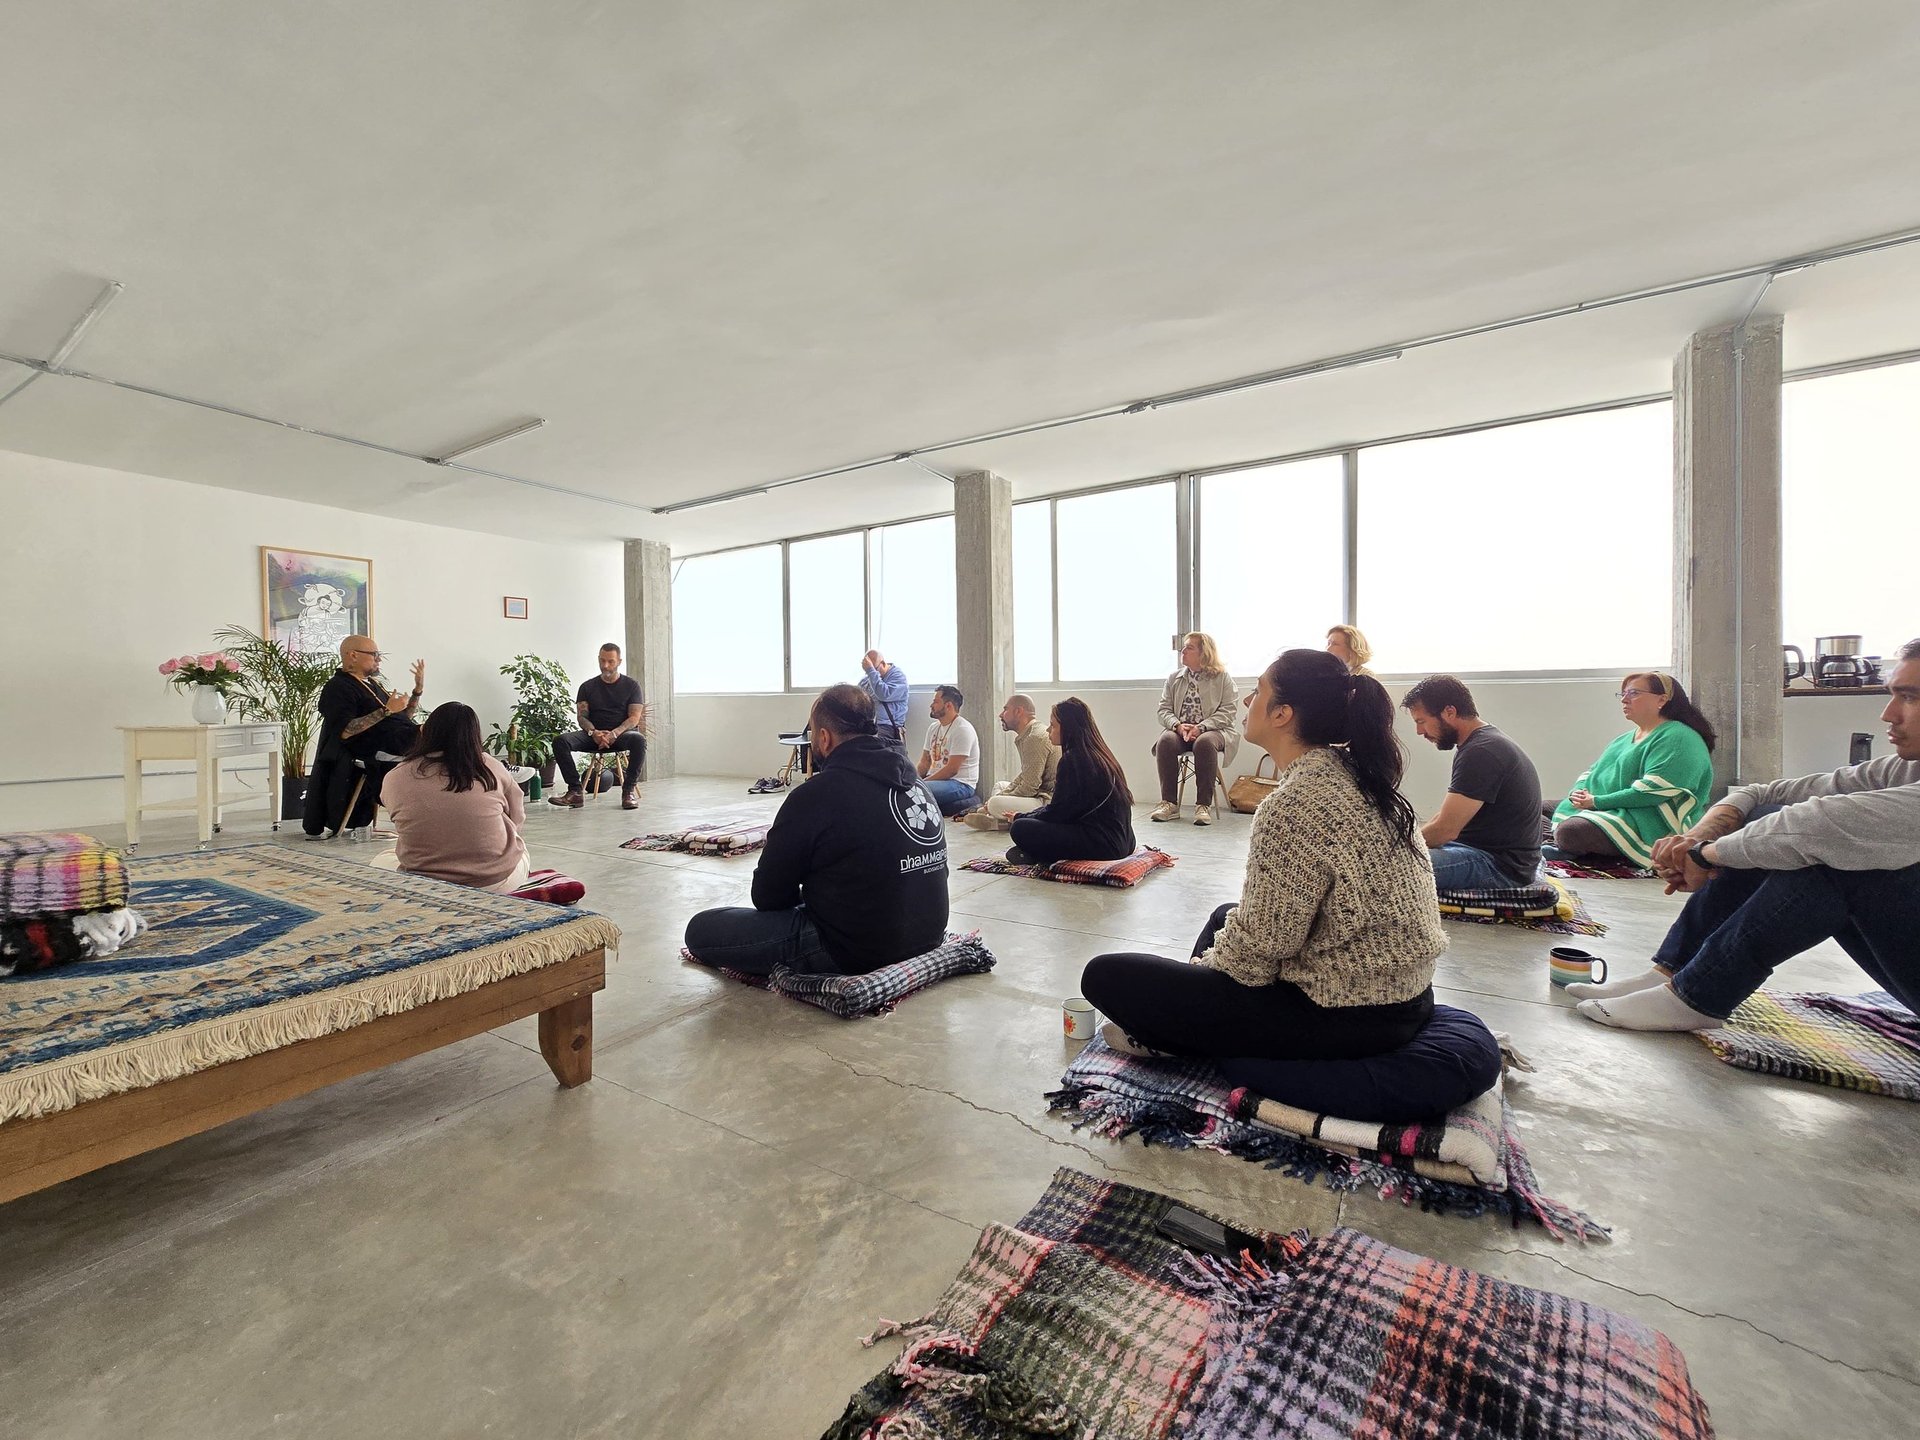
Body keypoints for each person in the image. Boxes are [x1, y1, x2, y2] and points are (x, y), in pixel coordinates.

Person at [1081, 650, 1444, 1060]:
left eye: (1259, 691)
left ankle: (1184, 1038)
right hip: (1406, 994)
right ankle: (1192, 1025)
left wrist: (1198, 987)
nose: (1250, 701)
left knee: (1104, 976)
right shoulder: (1360, 777)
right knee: (1224, 915)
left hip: (1349, 1015)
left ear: (1282, 714)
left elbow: (1256, 955)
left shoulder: (1296, 803)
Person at [1572, 639, 1920, 1032]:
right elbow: (1760, 792)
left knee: (1835, 853)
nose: (1887, 714)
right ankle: (1671, 971)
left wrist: (1705, 856)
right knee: (1769, 817)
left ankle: (1699, 997)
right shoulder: (1901, 769)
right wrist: (1696, 840)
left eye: (1910, 697)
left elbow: (1817, 826)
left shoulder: (1677, 736)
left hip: (1645, 815)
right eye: (1893, 695)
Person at [683, 684, 949, 976]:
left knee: (701, 929)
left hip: (857, 950)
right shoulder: (916, 783)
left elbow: (768, 896)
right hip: (928, 934)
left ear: (824, 738)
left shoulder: (815, 795)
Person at [1547, 673, 1716, 866]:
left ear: (1662, 699)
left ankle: (1582, 850)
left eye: (1634, 693)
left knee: (1571, 831)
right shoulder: (1625, 738)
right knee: (1535, 808)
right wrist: (1577, 794)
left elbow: (1653, 791)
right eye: (1623, 694)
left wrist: (1596, 802)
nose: (1625, 699)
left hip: (1648, 817)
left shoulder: (1679, 737)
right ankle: (1571, 849)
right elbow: (1592, 772)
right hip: (1610, 807)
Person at [1402, 675, 1543, 889]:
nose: (1420, 731)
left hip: (1500, 867)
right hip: (1482, 851)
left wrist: (1398, 848)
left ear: (1450, 711)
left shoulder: (1482, 751)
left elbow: (1445, 830)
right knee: (1402, 856)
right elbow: (1443, 817)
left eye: (1421, 721)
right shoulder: (1479, 743)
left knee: (1391, 868)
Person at [376, 702, 531, 893]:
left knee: (381, 860)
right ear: (474, 736)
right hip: (494, 883)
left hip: (425, 882)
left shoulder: (396, 776)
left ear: (424, 731)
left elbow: (397, 813)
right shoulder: (491, 767)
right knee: (519, 848)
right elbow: (517, 816)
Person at [305, 634, 425, 834]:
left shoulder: (373, 684)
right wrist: (386, 710)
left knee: (447, 728)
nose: (378, 659)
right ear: (353, 655)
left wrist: (417, 690)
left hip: (400, 736)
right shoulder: (338, 687)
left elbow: (404, 717)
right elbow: (345, 731)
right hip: (373, 746)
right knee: (445, 731)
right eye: (374, 654)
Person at [1005, 698, 1135, 865]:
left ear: (1068, 728)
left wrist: (1020, 817)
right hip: (1126, 843)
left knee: (1021, 828)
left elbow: (1058, 813)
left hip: (1105, 845)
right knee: (1032, 822)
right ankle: (1037, 853)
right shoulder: (1099, 753)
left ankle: (1038, 855)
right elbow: (1071, 810)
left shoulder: (1074, 759)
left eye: (1053, 725)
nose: (1048, 729)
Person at [1152, 632, 1241, 826]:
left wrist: (1201, 727)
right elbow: (1163, 710)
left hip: (1214, 730)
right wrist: (1177, 725)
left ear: (1204, 652)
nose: (1182, 651)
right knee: (1165, 741)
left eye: (1189, 647)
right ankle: (1169, 803)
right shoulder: (1174, 678)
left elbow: (1228, 711)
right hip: (1180, 731)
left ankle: (1203, 805)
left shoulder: (1222, 678)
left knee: (1204, 743)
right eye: (1183, 647)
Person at [549, 643, 646, 810]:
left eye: (610, 661)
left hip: (621, 735)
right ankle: (575, 792)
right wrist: (593, 732)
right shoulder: (587, 687)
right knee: (560, 741)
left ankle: (628, 792)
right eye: (602, 660)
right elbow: (582, 717)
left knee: (638, 740)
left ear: (619, 661)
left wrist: (614, 734)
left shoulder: (632, 686)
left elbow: (634, 718)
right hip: (592, 734)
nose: (605, 665)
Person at [962, 694, 1058, 831]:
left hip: (1047, 801)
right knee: (1000, 785)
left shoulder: (1034, 738)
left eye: (1005, 709)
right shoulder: (1030, 733)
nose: (1001, 715)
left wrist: (991, 804)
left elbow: (1030, 787)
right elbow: (1025, 775)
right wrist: (1004, 794)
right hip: (1038, 794)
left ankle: (998, 822)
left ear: (1018, 711)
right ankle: (999, 820)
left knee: (995, 803)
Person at [917, 684, 981, 816]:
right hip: (936, 781)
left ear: (948, 706)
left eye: (935, 701)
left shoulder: (962, 729)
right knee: (908, 787)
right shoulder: (933, 728)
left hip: (960, 784)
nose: (931, 705)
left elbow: (952, 770)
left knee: (919, 791)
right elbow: (925, 761)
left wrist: (922, 783)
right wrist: (914, 779)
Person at [859, 649, 910, 742]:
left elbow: (884, 695)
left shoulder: (898, 677)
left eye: (874, 669)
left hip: (888, 727)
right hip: (868, 726)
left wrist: (871, 671)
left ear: (883, 663)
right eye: (867, 671)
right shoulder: (867, 679)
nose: (871, 674)